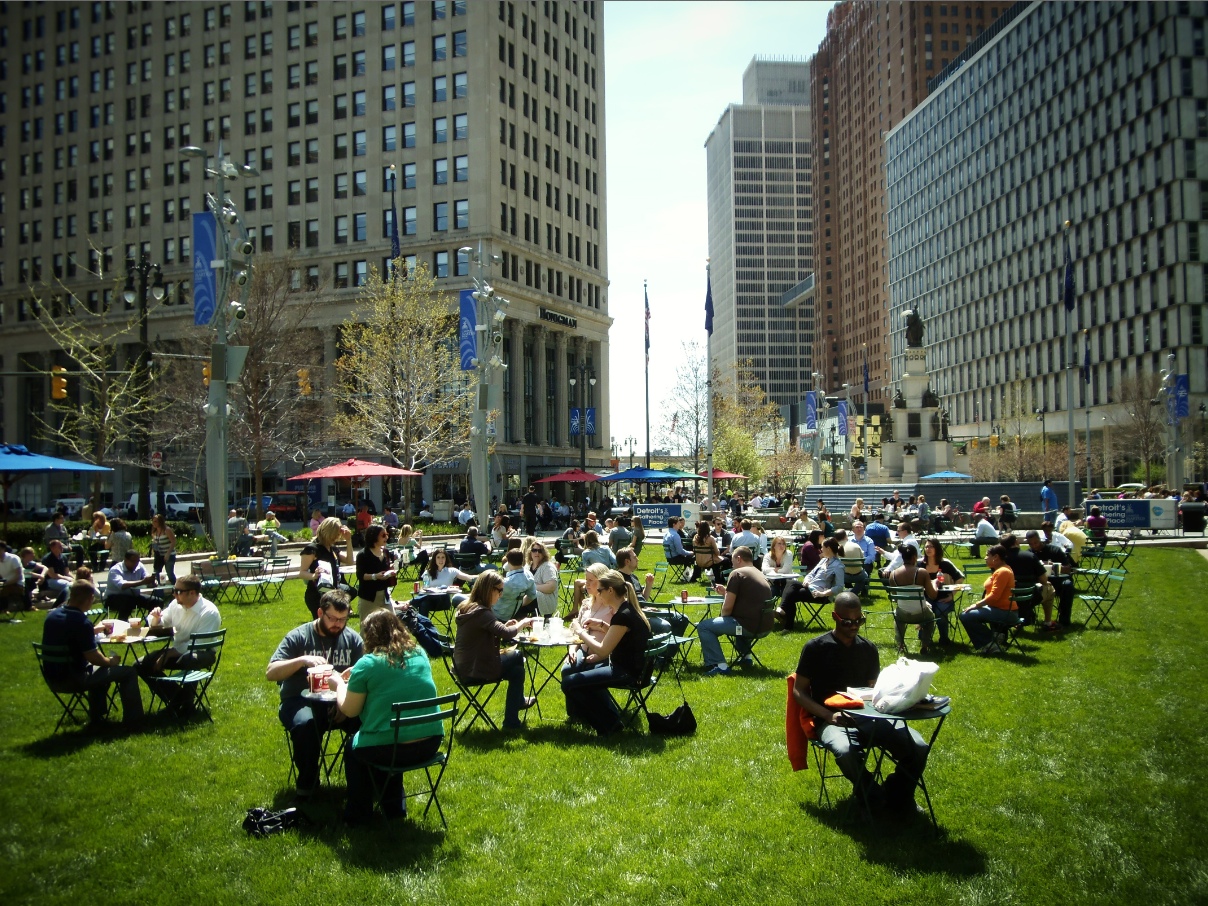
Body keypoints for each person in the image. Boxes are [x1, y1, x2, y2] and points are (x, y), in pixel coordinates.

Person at [792, 592, 930, 815]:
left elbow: (877, 692)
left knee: (919, 746)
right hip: (832, 719)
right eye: (847, 621)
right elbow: (798, 691)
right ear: (835, 617)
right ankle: (872, 796)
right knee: (845, 751)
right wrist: (829, 716)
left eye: (859, 620)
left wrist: (908, 696)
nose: (854, 626)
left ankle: (897, 794)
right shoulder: (816, 648)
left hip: (870, 717)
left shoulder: (867, 649)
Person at [327, 609, 443, 824]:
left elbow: (350, 711)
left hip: (391, 749)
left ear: (368, 636)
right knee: (390, 734)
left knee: (356, 747)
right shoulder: (419, 654)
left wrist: (339, 685)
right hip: (430, 742)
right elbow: (394, 676)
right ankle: (394, 808)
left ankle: (358, 815)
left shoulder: (368, 664)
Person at [267, 590, 364, 798]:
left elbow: (364, 676)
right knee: (305, 725)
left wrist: (345, 706)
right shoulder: (299, 636)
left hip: (340, 701)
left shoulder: (352, 639)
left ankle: (363, 785)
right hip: (299, 701)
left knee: (369, 720)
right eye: (332, 618)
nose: (337, 624)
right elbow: (271, 672)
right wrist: (301, 660)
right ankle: (308, 784)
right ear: (320, 612)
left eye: (343, 619)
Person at [40, 580, 144, 727]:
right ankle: (135, 721)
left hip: (53, 678)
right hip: (74, 678)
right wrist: (111, 661)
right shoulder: (81, 621)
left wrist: (94, 630)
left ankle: (98, 719)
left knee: (101, 672)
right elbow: (93, 657)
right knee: (128, 672)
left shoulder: (52, 617)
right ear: (89, 599)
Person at [563, 569, 652, 735]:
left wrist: (579, 631)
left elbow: (603, 650)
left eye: (600, 590)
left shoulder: (623, 616)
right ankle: (612, 721)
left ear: (610, 590)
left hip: (627, 672)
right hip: (636, 669)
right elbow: (620, 637)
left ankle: (606, 727)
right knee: (587, 675)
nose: (598, 593)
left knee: (569, 683)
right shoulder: (628, 609)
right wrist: (602, 625)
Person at [453, 571, 537, 730]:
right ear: (488, 589)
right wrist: (523, 623)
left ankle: (511, 723)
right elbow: (507, 634)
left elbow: (491, 631)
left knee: (517, 672)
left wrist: (505, 626)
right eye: (499, 590)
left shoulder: (469, 607)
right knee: (518, 655)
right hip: (476, 668)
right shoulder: (482, 612)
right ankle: (518, 703)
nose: (501, 594)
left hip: (463, 667)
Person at [138, 574, 222, 710]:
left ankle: (187, 706)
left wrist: (170, 653)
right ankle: (179, 698)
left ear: (192, 593)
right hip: (176, 651)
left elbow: (198, 644)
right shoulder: (175, 605)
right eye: (174, 590)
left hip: (202, 653)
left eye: (178, 591)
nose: (174, 594)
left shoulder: (209, 612)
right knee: (141, 664)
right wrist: (156, 618)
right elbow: (161, 623)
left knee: (189, 659)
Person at [696, 546, 772, 675]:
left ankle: (720, 666)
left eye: (732, 561)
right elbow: (747, 599)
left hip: (749, 626)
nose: (732, 564)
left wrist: (723, 619)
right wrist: (726, 593)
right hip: (765, 625)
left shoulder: (737, 573)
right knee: (739, 619)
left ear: (738, 559)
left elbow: (727, 608)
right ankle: (746, 657)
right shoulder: (759, 573)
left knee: (704, 627)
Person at [959, 545, 1018, 655]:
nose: (985, 558)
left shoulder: (1002, 572)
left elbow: (995, 596)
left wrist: (976, 605)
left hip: (1006, 612)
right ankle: (994, 637)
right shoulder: (1001, 570)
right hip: (999, 609)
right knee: (968, 614)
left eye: (987, 555)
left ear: (996, 557)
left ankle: (990, 644)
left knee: (966, 615)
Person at [779, 537, 845, 631]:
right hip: (810, 587)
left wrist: (823, 594)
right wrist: (806, 579)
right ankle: (784, 616)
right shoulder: (823, 560)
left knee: (792, 593)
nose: (820, 549)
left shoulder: (838, 566)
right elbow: (811, 573)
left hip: (820, 594)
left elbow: (839, 587)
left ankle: (785, 619)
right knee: (791, 583)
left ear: (828, 549)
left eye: (822, 547)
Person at [882, 543, 937, 655]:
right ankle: (925, 645)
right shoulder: (921, 572)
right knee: (931, 619)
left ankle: (901, 645)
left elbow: (896, 597)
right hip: (921, 614)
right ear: (914, 557)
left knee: (897, 616)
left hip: (903, 615)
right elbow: (933, 595)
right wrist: (935, 583)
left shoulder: (893, 574)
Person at [298, 517, 355, 618]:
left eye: (338, 534)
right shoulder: (312, 549)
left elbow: (349, 561)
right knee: (323, 627)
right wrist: (313, 575)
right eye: (335, 534)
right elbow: (302, 573)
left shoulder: (332, 549)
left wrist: (349, 540)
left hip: (332, 593)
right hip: (317, 595)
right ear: (327, 532)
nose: (337, 537)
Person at [1026, 530, 1075, 631]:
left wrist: (1054, 566)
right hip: (1040, 583)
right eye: (1030, 544)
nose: (1034, 546)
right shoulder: (1029, 554)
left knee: (1068, 585)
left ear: (1040, 540)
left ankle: (1064, 620)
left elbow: (1068, 569)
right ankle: (1029, 616)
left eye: (1035, 542)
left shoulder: (1055, 550)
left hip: (1058, 581)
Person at [921, 538, 964, 645]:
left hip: (944, 598)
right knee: (925, 611)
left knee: (941, 612)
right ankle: (925, 638)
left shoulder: (945, 564)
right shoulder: (920, 564)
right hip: (926, 598)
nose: (928, 549)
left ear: (937, 548)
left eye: (931, 546)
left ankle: (944, 638)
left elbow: (960, 579)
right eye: (926, 546)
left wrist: (952, 595)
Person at [355, 525, 398, 621]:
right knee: (367, 629)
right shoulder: (363, 555)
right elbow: (360, 576)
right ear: (373, 536)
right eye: (383, 535)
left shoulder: (386, 552)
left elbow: (387, 568)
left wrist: (391, 571)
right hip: (368, 598)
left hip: (384, 595)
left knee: (392, 624)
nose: (386, 537)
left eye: (387, 534)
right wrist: (375, 576)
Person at [105, 549, 155, 621]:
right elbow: (122, 585)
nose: (136, 564)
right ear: (125, 560)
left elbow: (146, 577)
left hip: (133, 597)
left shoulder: (139, 566)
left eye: (137, 561)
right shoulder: (115, 570)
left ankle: (150, 625)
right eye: (133, 561)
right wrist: (142, 582)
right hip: (112, 599)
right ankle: (122, 625)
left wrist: (151, 581)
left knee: (156, 601)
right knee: (128, 602)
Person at [495, 548, 537, 621]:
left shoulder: (507, 582)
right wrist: (519, 603)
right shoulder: (528, 575)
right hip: (514, 614)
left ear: (508, 561)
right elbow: (532, 595)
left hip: (496, 615)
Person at [527, 540, 560, 618]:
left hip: (545, 600)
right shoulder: (527, 566)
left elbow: (551, 587)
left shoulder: (547, 567)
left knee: (530, 595)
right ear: (530, 552)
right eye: (534, 550)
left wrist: (532, 587)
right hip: (529, 598)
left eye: (540, 551)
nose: (537, 553)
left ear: (544, 553)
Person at [40, 539, 74, 607]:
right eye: (59, 546)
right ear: (52, 548)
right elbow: (52, 575)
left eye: (61, 546)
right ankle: (67, 603)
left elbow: (67, 572)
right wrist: (66, 578)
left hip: (62, 578)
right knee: (68, 585)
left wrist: (74, 578)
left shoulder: (63, 557)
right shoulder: (47, 559)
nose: (62, 548)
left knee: (75, 583)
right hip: (50, 580)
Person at [691, 520, 726, 585]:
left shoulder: (695, 537)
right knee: (726, 560)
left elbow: (694, 550)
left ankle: (695, 576)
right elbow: (717, 553)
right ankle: (722, 579)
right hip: (710, 561)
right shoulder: (711, 538)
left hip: (698, 561)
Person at [0, 540, 27, 613]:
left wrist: (5, 584)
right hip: (5, 584)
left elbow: (18, 576)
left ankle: (4, 609)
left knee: (2, 590)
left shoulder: (13, 559)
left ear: (3, 549)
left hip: (18, 584)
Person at [149, 514, 177, 583]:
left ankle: (176, 589)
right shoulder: (154, 531)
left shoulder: (167, 530)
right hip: (159, 556)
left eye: (156, 521)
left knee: (170, 573)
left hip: (169, 555)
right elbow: (155, 541)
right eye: (153, 521)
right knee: (156, 573)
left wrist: (167, 554)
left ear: (160, 522)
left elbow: (173, 541)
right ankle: (159, 592)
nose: (154, 523)